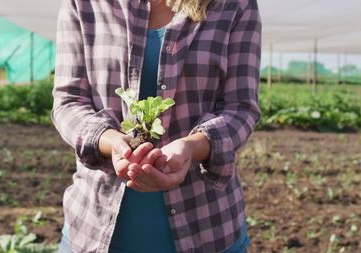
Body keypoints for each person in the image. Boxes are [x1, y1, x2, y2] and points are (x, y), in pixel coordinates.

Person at [51, 0, 262, 252]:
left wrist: (192, 148)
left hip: (206, 227)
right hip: (93, 228)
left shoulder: (234, 4)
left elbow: (240, 107)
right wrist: (111, 142)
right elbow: (69, 101)